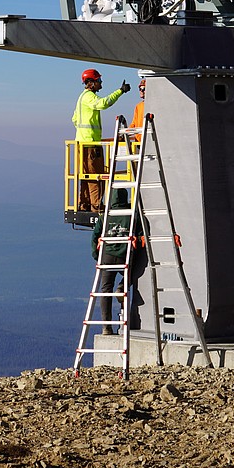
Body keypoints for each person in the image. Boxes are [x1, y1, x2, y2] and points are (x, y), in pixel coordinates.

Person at [90, 190, 147, 334]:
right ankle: (122, 286)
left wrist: (97, 256)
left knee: (105, 290)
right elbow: (140, 235)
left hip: (107, 257)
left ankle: (106, 327)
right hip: (125, 256)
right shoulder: (132, 215)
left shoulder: (105, 217)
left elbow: (95, 236)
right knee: (137, 268)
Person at [73, 69, 130, 212]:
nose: (101, 83)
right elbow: (103, 103)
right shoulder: (88, 97)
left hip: (84, 143)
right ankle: (96, 206)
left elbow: (74, 119)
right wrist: (120, 91)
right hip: (90, 144)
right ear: (90, 83)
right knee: (95, 176)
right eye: (98, 81)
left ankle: (85, 203)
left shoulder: (82, 98)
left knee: (87, 175)